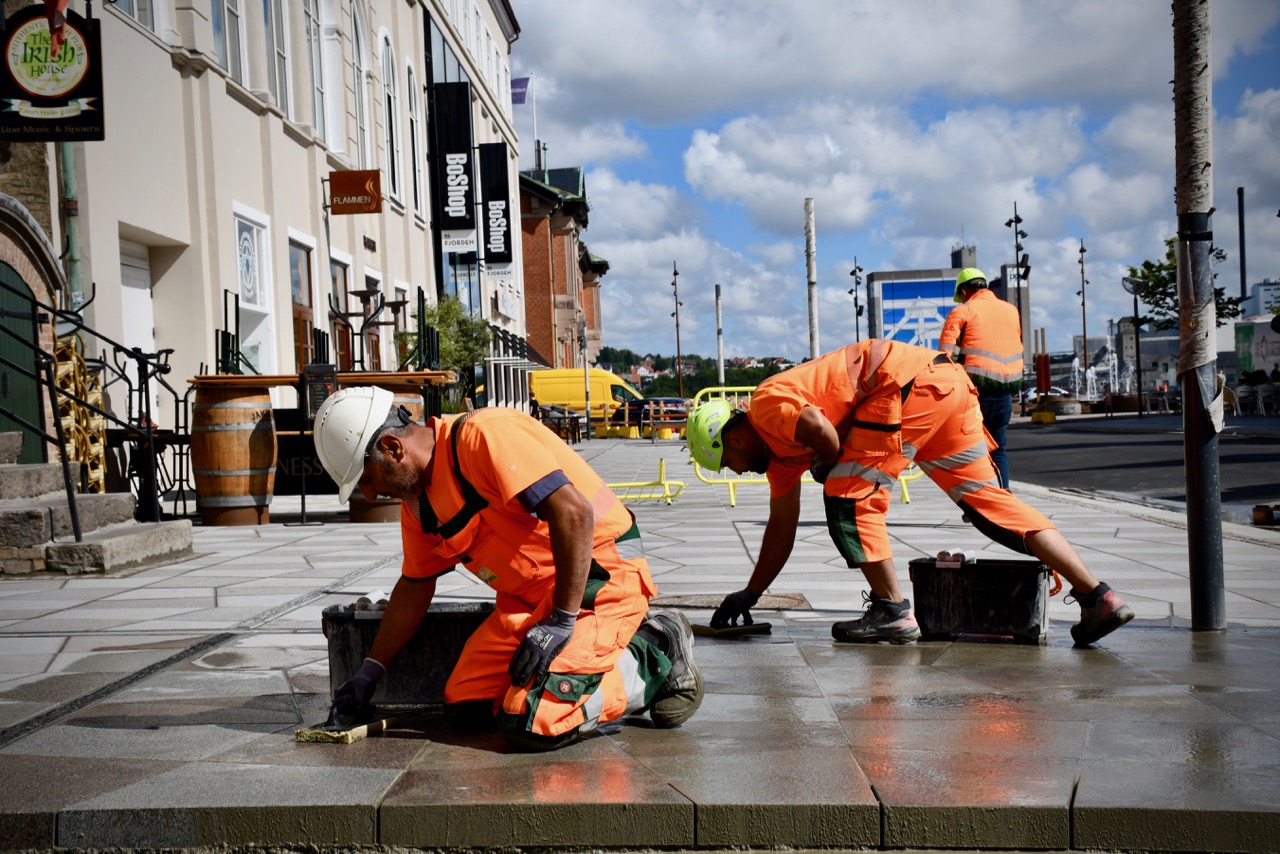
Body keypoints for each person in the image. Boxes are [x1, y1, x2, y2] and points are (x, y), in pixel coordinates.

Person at [312, 387, 702, 751]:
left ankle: (655, 651)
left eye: (366, 478)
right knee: (466, 707)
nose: (367, 493)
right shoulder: (418, 507)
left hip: (599, 577)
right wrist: (369, 671)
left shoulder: (484, 437)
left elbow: (575, 514)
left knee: (530, 720)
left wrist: (562, 621)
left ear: (392, 447)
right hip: (532, 604)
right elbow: (415, 586)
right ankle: (585, 663)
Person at [687, 339, 1134, 647]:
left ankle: (892, 613)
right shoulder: (779, 460)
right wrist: (751, 593)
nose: (737, 471)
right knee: (988, 505)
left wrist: (827, 462)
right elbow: (781, 527)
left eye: (728, 462)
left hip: (903, 387)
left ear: (734, 438)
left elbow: (818, 428)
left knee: (848, 495)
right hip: (948, 387)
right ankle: (1098, 597)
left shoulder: (766, 407)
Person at [938, 268, 1022, 488]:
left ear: (965, 291)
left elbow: (944, 355)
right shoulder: (1011, 310)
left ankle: (981, 503)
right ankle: (1004, 497)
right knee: (998, 447)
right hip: (1006, 389)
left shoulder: (963, 311)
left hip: (976, 392)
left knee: (971, 450)